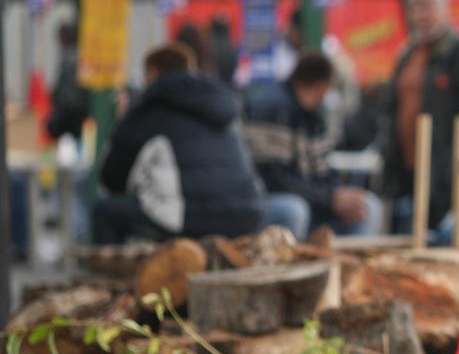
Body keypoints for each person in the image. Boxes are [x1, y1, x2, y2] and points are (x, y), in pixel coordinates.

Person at [94, 43, 264, 244]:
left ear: (153, 73)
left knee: (104, 211)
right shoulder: (222, 105)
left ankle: (118, 275)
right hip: (249, 214)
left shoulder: (150, 109)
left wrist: (122, 120)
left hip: (190, 217)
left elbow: (112, 178)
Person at [383, 0, 459, 238]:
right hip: (408, 168)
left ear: (445, 10)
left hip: (446, 172)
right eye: (415, 8)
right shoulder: (408, 54)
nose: (421, 15)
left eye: (428, 7)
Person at [243, 53, 382, 239]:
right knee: (294, 209)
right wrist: (330, 199)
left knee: (368, 206)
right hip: (268, 202)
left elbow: (322, 171)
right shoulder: (272, 108)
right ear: (323, 85)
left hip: (312, 201)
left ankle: (347, 266)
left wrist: (340, 195)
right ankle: (290, 265)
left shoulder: (314, 114)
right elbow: (274, 179)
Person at [46, 19, 90, 140]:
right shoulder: (77, 55)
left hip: (72, 112)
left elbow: (64, 90)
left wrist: (54, 96)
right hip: (80, 111)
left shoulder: (68, 58)